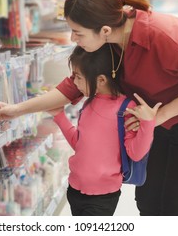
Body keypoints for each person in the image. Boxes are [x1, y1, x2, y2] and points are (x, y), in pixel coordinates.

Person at [0, 0, 178, 216]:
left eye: (77, 33)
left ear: (105, 30)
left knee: (176, 206)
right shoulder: (104, 43)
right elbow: (71, 87)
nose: (73, 39)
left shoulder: (161, 34)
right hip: (151, 118)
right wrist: (16, 110)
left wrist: (160, 115)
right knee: (148, 202)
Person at [45, 45, 160, 216]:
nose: (74, 83)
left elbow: (136, 154)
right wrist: (59, 116)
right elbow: (79, 143)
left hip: (102, 197)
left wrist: (148, 123)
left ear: (101, 80)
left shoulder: (126, 108)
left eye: (78, 77)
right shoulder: (88, 103)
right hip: (74, 189)